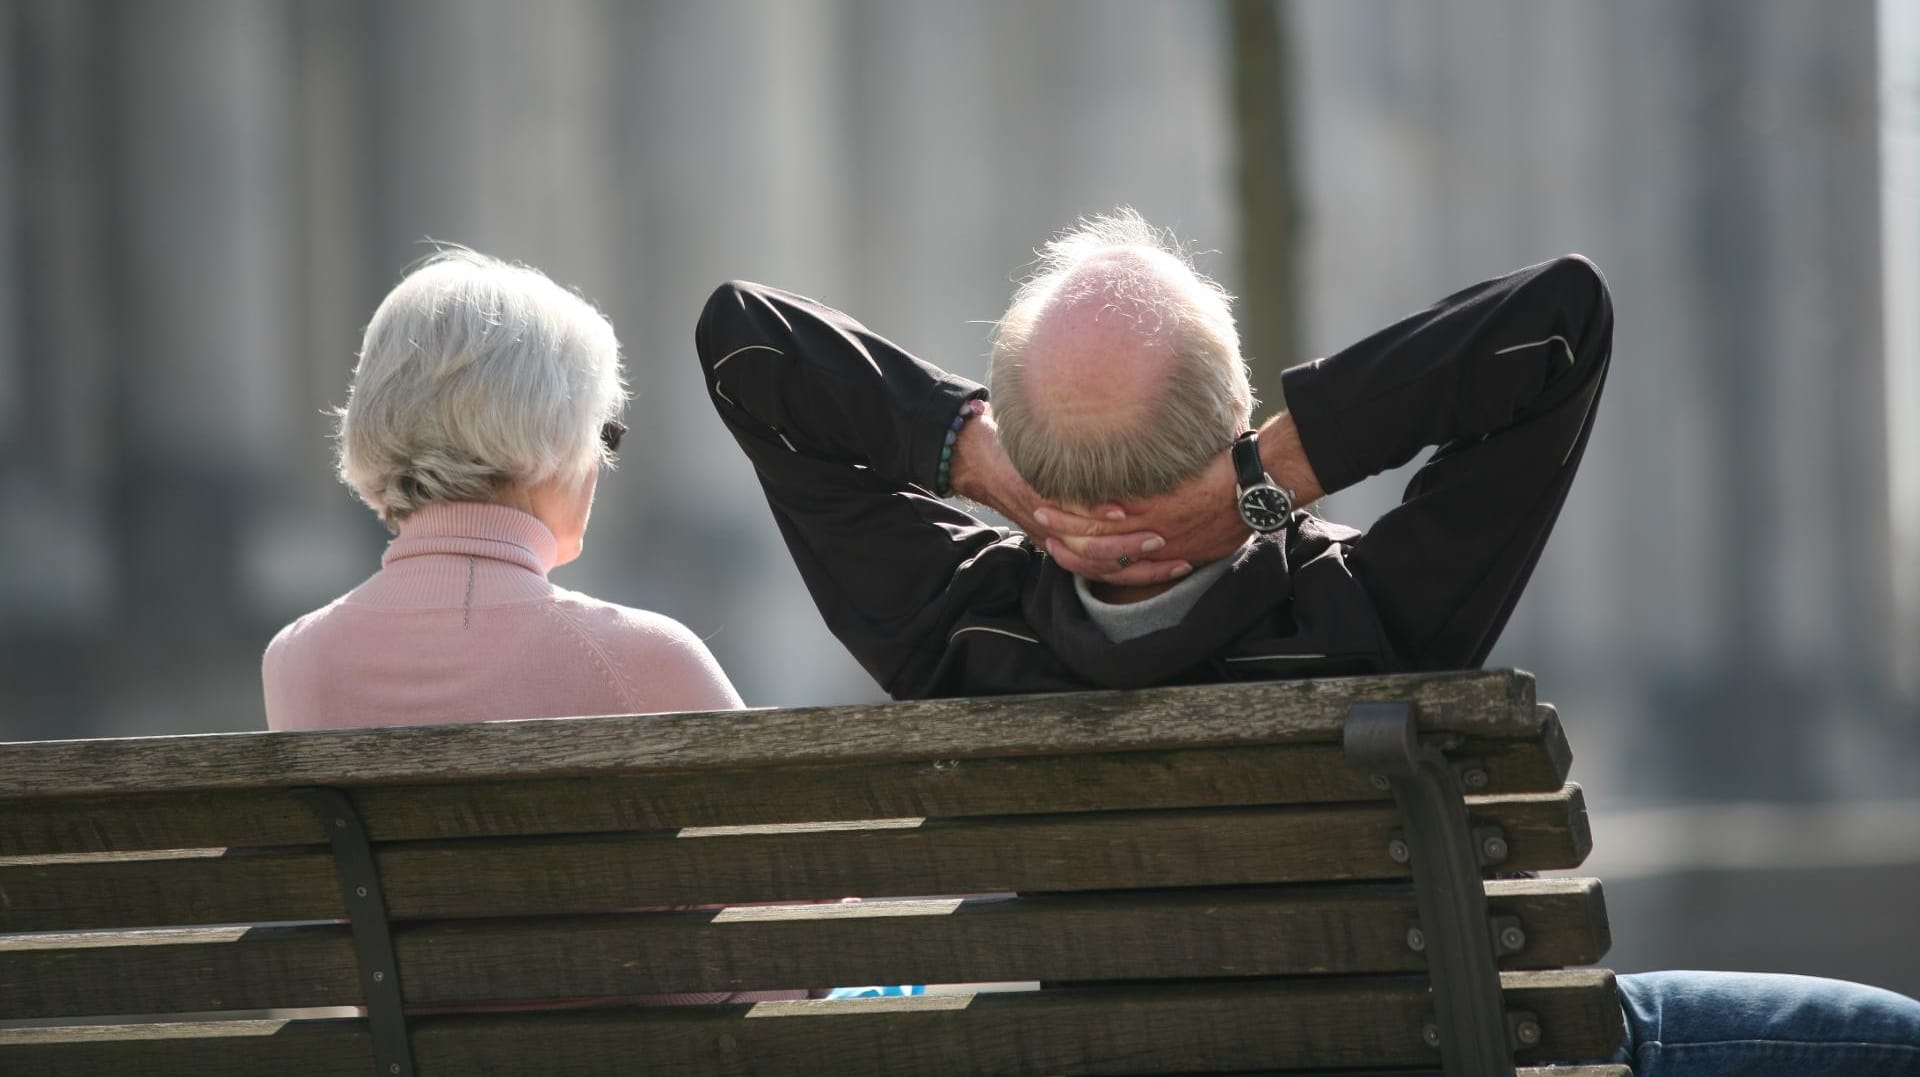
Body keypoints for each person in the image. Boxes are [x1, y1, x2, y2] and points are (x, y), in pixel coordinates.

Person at [693, 210, 1920, 1074]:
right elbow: (1559, 325)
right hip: (1424, 1051)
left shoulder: (956, 635)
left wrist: (987, 473)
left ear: (1022, 441)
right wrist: (1268, 481)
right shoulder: (1365, 616)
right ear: (1234, 418)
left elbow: (747, 345)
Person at [265, 249, 783, 1005]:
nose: (602, 462)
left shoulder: (297, 662)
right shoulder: (643, 661)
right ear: (548, 438)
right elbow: (797, 908)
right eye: (602, 432)